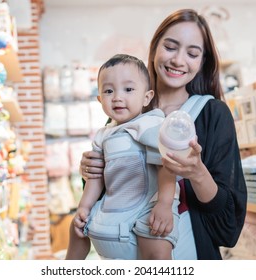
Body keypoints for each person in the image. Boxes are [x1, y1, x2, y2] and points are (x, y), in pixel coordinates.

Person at [78, 9, 247, 260]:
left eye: (192, 53)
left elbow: (228, 226)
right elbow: (108, 194)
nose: (179, 60)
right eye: (170, 47)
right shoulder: (123, 110)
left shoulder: (213, 114)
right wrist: (90, 170)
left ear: (202, 61)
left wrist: (197, 172)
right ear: (155, 47)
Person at [65, 54, 179, 260]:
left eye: (128, 89)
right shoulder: (103, 135)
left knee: (156, 247)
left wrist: (164, 204)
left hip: (150, 203)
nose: (117, 97)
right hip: (115, 205)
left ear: (147, 97)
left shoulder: (150, 124)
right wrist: (84, 206)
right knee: (76, 229)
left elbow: (166, 166)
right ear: (99, 99)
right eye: (109, 91)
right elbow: (95, 177)